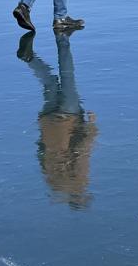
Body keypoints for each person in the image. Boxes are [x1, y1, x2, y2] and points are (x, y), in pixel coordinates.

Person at [17, 32, 98, 208]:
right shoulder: (52, 182)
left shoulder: (78, 181)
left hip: (68, 117)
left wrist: (92, 127)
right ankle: (30, 59)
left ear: (79, 196)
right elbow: (40, 150)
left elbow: (81, 150)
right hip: (48, 122)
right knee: (50, 84)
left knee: (67, 76)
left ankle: (63, 42)